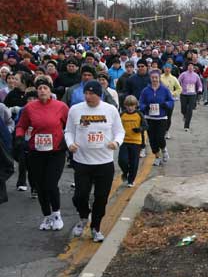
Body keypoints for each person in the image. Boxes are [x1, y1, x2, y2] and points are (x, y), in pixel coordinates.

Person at [64, 80, 125, 242]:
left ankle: (95, 227)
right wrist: (70, 144)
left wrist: (116, 142)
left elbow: (120, 132)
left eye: (92, 94)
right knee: (80, 196)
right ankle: (84, 217)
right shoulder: (75, 110)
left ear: (100, 95)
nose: (88, 97)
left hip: (104, 162)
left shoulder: (110, 110)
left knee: (101, 197)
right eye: (86, 93)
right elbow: (68, 131)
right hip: (82, 161)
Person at [14, 78, 69, 231]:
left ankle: (57, 214)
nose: (42, 91)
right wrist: (19, 136)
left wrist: (69, 140)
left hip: (56, 151)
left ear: (50, 90)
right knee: (39, 186)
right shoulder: (30, 108)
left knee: (50, 184)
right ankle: (47, 216)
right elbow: (21, 125)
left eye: (45, 88)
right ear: (36, 91)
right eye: (40, 88)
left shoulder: (61, 107)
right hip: (36, 151)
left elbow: (70, 125)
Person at [139, 70, 174, 166]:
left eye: (156, 77)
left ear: (159, 78)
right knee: (152, 139)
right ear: (150, 78)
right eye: (152, 77)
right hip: (149, 118)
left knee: (160, 137)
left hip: (161, 118)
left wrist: (166, 104)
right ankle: (157, 157)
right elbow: (141, 102)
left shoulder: (164, 89)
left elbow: (171, 101)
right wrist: (145, 107)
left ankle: (164, 149)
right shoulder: (145, 90)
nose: (154, 79)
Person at [119, 95, 147, 187]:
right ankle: (125, 172)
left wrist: (140, 129)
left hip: (136, 142)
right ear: (125, 106)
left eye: (132, 105)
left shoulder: (139, 114)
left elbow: (146, 126)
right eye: (128, 106)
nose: (130, 108)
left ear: (135, 105)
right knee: (122, 160)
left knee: (134, 162)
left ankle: (131, 180)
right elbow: (117, 127)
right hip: (124, 141)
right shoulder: (122, 115)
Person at [178, 61, 203, 132]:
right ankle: (184, 115)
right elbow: (178, 81)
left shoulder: (196, 75)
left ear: (193, 67)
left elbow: (200, 84)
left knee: (190, 109)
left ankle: (186, 126)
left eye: (192, 66)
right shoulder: (183, 74)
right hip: (184, 94)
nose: (190, 67)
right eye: (189, 66)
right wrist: (179, 88)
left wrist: (200, 90)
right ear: (187, 67)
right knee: (183, 108)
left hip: (192, 94)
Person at [160, 64, 181, 140]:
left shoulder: (174, 78)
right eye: (166, 68)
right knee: (160, 116)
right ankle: (160, 131)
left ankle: (167, 131)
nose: (167, 69)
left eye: (169, 68)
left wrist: (173, 93)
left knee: (168, 117)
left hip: (169, 101)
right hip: (160, 100)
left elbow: (179, 89)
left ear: (171, 69)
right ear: (163, 68)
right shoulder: (160, 77)